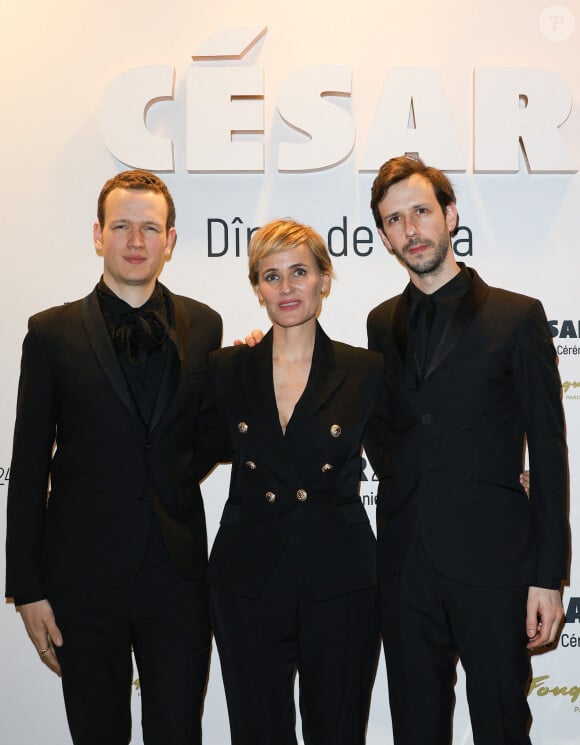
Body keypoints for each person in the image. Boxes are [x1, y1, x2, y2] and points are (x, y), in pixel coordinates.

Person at [5, 170, 222, 745]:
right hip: (81, 579)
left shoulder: (204, 326)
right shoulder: (49, 333)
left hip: (176, 577)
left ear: (170, 240)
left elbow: (199, 441)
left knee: (178, 733)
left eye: (149, 228)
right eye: (121, 226)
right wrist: (26, 588)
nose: (135, 240)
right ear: (98, 235)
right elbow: (28, 466)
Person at [366, 155, 570, 745]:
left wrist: (548, 576)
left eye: (421, 212)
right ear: (383, 236)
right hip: (405, 569)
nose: (411, 229)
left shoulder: (517, 316)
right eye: (395, 220)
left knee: (502, 726)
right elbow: (383, 432)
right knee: (415, 730)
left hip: (496, 565)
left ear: (450, 214)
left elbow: (551, 452)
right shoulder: (381, 323)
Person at [195, 219, 386, 745]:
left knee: (339, 731)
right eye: (271, 275)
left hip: (341, 581)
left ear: (325, 279)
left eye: (299, 272)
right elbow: (186, 456)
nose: (286, 288)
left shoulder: (364, 369)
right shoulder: (226, 368)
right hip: (247, 581)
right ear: (256, 287)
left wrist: (506, 475)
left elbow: (409, 457)